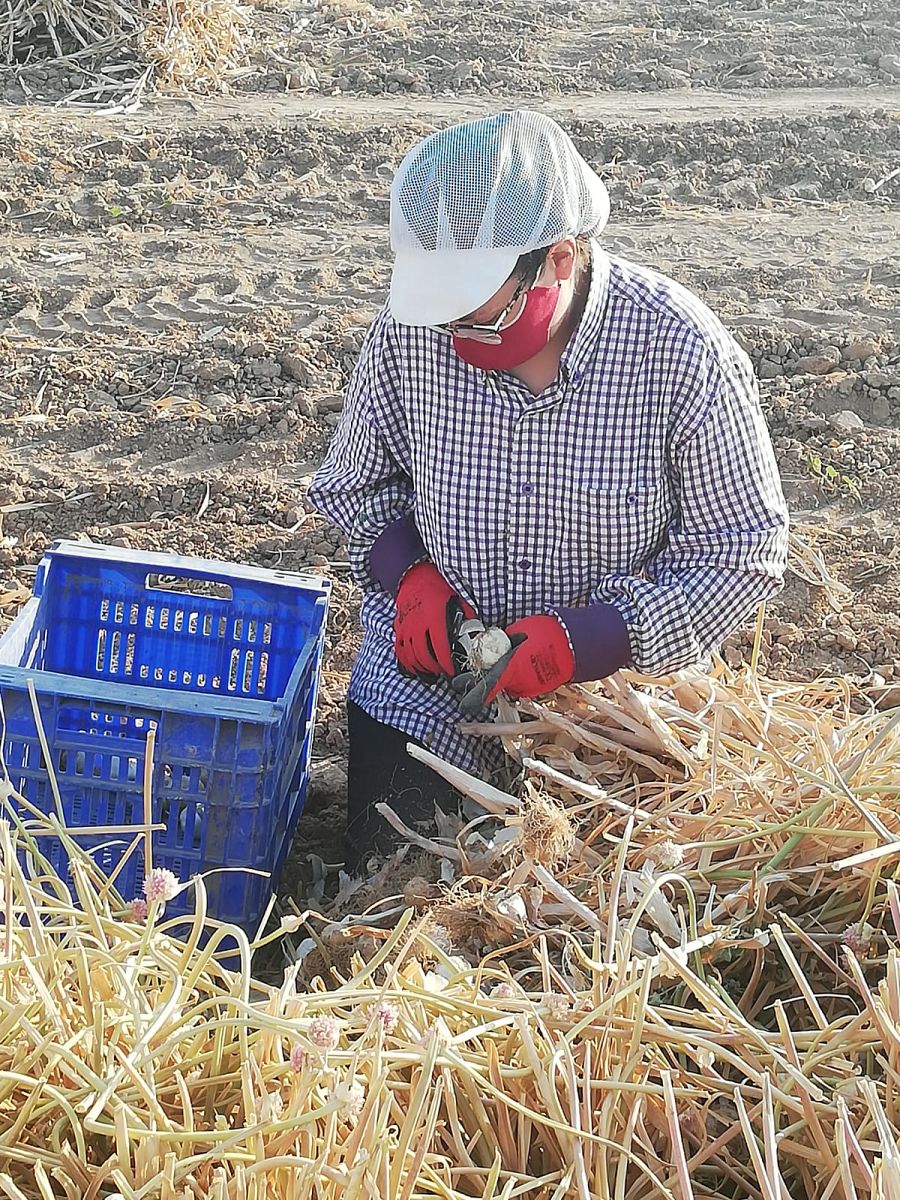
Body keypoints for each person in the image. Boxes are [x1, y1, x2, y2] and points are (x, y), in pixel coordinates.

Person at [308, 110, 789, 872]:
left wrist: (593, 639)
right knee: (395, 894)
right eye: (446, 317)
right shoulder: (413, 331)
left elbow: (742, 551)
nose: (458, 339)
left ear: (558, 260)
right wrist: (408, 575)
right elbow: (357, 483)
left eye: (483, 317)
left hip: (614, 710)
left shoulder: (679, 349)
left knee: (602, 910)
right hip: (429, 687)